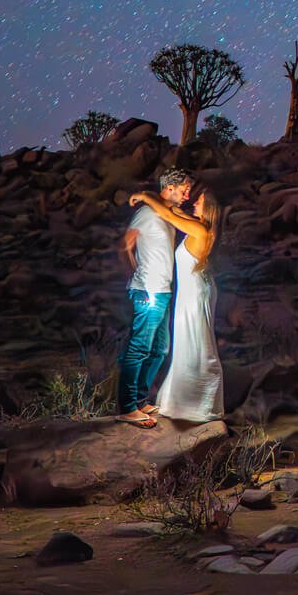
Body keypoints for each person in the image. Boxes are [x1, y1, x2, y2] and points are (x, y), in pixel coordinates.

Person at [130, 183, 226, 423]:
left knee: (195, 340)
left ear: (208, 208)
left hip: (195, 292)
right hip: (194, 289)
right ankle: (183, 400)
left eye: (199, 201)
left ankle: (201, 403)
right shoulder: (200, 225)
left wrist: (143, 196)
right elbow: (171, 209)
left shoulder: (199, 230)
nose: (193, 202)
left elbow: (167, 214)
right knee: (187, 341)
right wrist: (153, 196)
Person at [117, 169, 191, 427]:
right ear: (169, 188)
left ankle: (140, 400)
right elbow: (125, 246)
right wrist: (135, 279)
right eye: (184, 190)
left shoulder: (165, 214)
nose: (187, 195)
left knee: (160, 349)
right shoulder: (145, 214)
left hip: (164, 291)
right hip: (148, 290)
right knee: (139, 348)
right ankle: (127, 407)